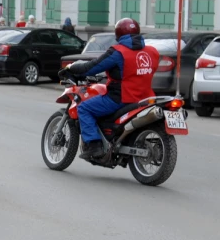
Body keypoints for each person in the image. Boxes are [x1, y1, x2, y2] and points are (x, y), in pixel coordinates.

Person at [58, 18, 159, 160]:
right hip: (145, 97)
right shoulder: (152, 52)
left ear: (118, 34)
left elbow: (92, 67)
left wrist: (72, 68)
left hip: (121, 98)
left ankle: (94, 145)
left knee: (84, 108)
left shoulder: (118, 52)